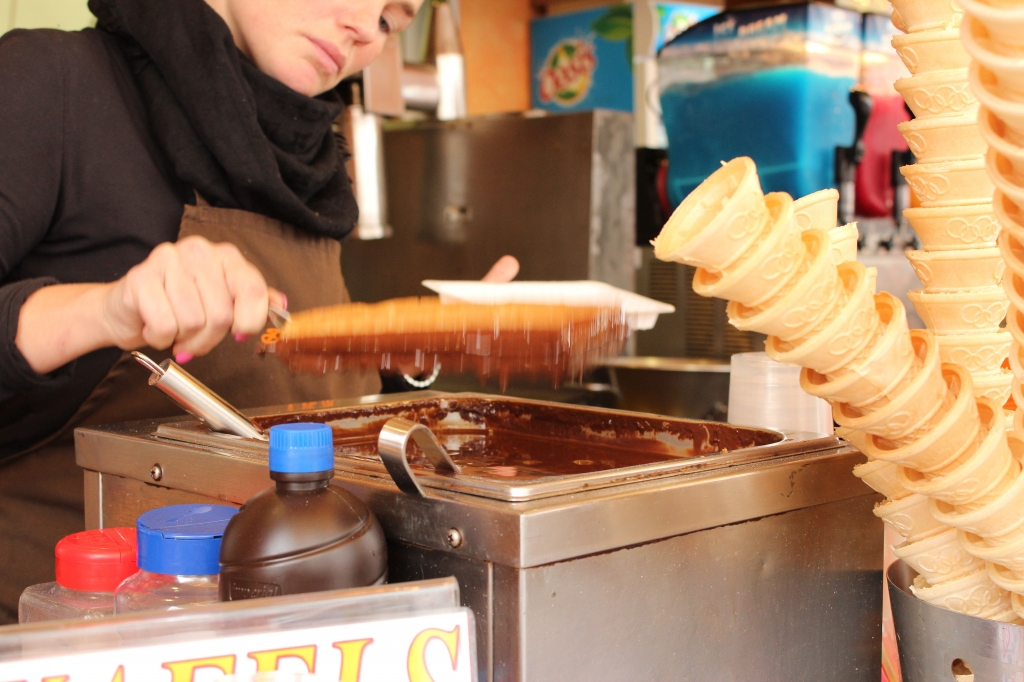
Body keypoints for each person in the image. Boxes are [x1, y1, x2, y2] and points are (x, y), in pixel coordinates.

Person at [0, 0, 517, 622]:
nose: (364, 30)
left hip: (284, 634)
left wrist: (401, 351)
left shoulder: (307, 164)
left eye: (390, 21)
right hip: (64, 631)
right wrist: (103, 311)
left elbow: (284, 391)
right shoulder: (50, 81)